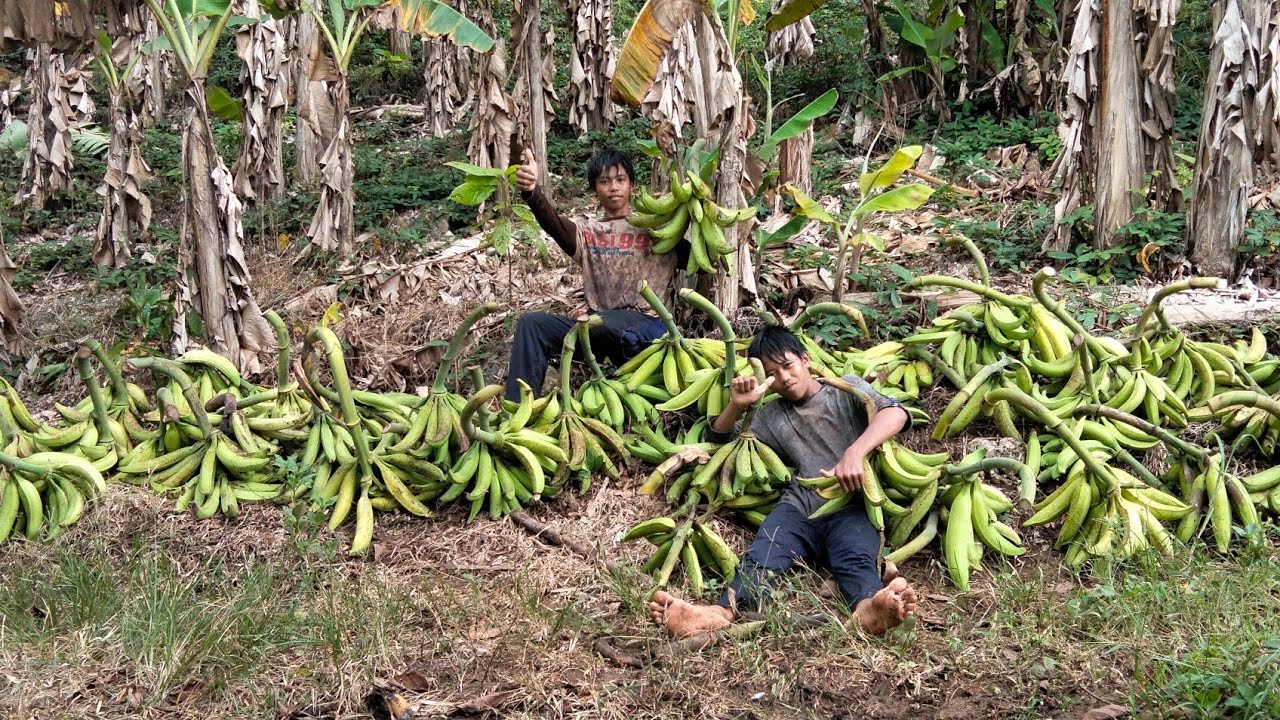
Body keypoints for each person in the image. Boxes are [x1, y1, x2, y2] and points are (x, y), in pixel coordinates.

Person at [649, 326, 919, 637]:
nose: (785, 378)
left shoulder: (845, 391)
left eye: (788, 366)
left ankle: (869, 608)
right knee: (763, 556)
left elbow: (895, 414)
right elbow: (721, 437)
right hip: (799, 507)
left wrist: (855, 452)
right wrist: (738, 404)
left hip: (851, 503)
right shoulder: (770, 416)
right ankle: (718, 612)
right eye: (772, 374)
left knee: (855, 555)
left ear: (805, 359)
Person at [505, 148, 678, 401]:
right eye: (604, 182)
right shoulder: (588, 232)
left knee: (606, 322)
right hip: (597, 329)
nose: (613, 187)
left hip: (648, 327)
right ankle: (516, 411)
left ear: (631, 185)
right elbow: (553, 222)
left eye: (621, 180)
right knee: (532, 324)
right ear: (594, 190)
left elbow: (698, 253)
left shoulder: (656, 228)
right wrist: (532, 192)